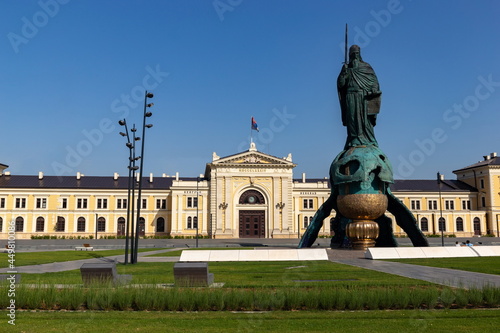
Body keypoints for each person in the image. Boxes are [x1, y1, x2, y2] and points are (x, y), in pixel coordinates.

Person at [337, 45, 382, 149]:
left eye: (357, 54)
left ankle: (368, 140)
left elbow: (374, 81)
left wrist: (374, 88)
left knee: (364, 120)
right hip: (350, 96)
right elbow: (341, 84)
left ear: (360, 54)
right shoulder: (347, 68)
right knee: (352, 119)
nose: (355, 56)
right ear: (350, 55)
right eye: (353, 54)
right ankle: (353, 140)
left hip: (363, 96)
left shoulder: (366, 66)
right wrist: (344, 73)